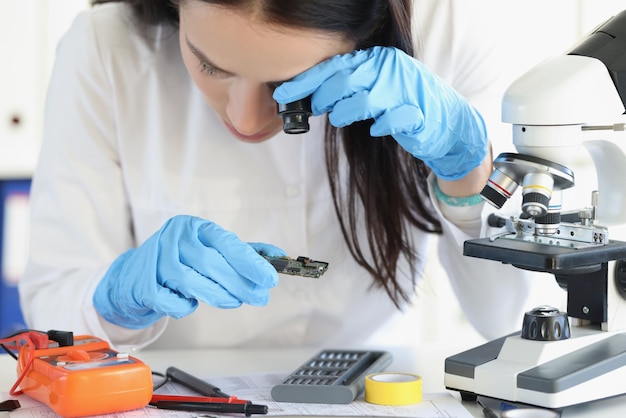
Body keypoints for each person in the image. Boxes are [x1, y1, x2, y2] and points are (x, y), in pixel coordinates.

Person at [19, 0, 545, 351]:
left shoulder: (446, 30)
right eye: (209, 65)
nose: (244, 121)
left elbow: (512, 319)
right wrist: (116, 300)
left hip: (375, 385)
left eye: (291, 83)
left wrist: (472, 172)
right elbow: (52, 309)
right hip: (174, 393)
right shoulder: (105, 48)